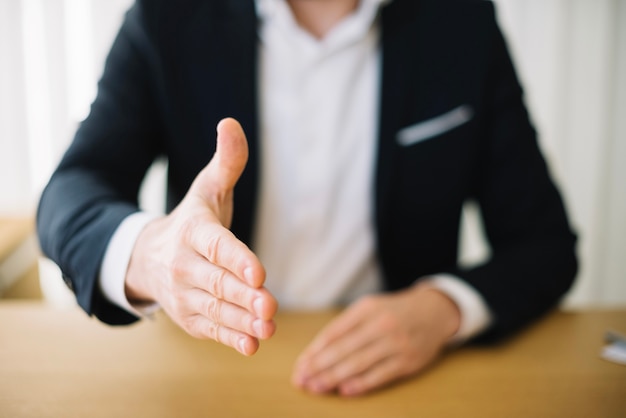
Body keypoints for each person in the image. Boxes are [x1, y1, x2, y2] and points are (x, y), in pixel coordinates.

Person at [37, 0, 578, 397]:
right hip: (209, 378)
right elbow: (71, 190)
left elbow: (546, 245)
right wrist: (152, 255)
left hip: (400, 386)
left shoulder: (461, 22)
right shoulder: (167, 16)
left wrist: (443, 309)